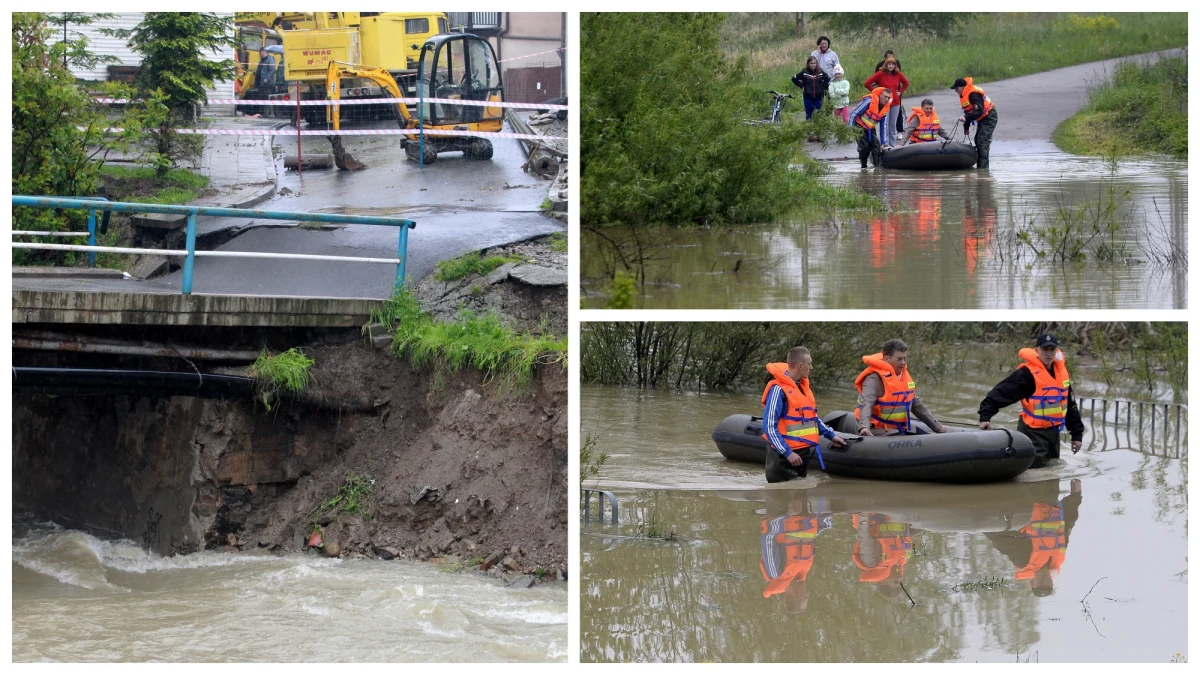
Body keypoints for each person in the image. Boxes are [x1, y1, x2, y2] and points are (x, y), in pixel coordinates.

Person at [978, 333, 1084, 468]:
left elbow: (1070, 405)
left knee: (1052, 474)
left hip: (1054, 434)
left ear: (1057, 351)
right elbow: (1002, 392)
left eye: (1052, 349)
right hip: (1033, 433)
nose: (1049, 354)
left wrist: (1076, 435)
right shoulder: (1027, 374)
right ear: (1037, 350)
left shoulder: (1061, 373)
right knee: (1033, 471)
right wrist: (985, 416)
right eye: (1045, 349)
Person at [762, 347, 848, 483]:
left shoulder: (802, 387)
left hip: (802, 454)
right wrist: (787, 453)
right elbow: (769, 427)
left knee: (799, 498)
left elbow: (811, 418)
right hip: (783, 456)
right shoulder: (778, 391)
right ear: (800, 366)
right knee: (781, 500)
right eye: (810, 364)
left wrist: (831, 435)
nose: (812, 368)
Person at [985, 479, 1082, 597]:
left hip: (1026, 500)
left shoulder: (1023, 560)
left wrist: (982, 521)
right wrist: (1075, 495)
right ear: (1052, 582)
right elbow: (1067, 524)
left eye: (1040, 584)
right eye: (1047, 584)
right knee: (1049, 471)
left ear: (1032, 582)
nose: (1044, 580)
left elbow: (997, 539)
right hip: (1050, 498)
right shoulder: (1058, 557)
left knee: (1030, 475)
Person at [854, 339, 948, 436]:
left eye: (905, 359)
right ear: (886, 359)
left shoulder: (904, 376)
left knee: (924, 435)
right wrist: (864, 426)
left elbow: (916, 405)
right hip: (876, 428)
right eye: (899, 359)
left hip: (896, 428)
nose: (903, 362)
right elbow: (866, 403)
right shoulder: (874, 378)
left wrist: (938, 427)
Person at [760, 492, 834, 612]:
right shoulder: (803, 570)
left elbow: (768, 537)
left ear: (796, 596)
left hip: (782, 511)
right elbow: (809, 538)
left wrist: (787, 514)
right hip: (806, 512)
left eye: (806, 597)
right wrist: (825, 521)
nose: (808, 593)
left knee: (782, 485)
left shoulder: (776, 573)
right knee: (809, 484)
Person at [851, 513, 913, 599]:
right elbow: (909, 533)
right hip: (901, 512)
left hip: (875, 510)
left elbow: (864, 534)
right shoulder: (902, 560)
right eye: (901, 581)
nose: (900, 578)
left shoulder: (872, 562)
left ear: (882, 581)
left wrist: (863, 513)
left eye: (895, 581)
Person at [951, 76, 999, 169]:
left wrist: (965, 118)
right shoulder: (964, 95)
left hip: (989, 116)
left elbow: (978, 110)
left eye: (956, 89)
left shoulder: (974, 94)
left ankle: (983, 170)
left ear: (961, 87)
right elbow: (969, 111)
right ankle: (980, 167)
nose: (956, 91)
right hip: (981, 117)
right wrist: (966, 127)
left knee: (983, 142)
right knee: (977, 140)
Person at [864, 58, 908, 147]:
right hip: (884, 103)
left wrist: (900, 92)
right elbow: (867, 83)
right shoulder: (880, 74)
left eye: (893, 64)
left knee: (892, 124)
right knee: (885, 124)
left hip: (895, 102)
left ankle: (893, 145)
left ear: (895, 66)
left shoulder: (898, 74)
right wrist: (877, 94)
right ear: (886, 65)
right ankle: (885, 144)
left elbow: (906, 83)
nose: (891, 66)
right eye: (889, 64)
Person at [849, 87, 892, 169]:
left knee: (876, 146)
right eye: (885, 96)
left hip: (871, 128)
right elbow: (854, 114)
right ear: (880, 95)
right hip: (859, 127)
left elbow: (883, 126)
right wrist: (850, 128)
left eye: (888, 98)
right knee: (865, 147)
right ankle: (863, 167)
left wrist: (883, 143)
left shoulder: (885, 108)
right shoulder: (869, 101)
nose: (886, 99)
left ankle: (877, 168)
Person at [873, 50, 905, 135]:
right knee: (884, 118)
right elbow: (874, 80)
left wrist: (900, 92)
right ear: (885, 58)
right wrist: (876, 92)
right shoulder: (880, 66)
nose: (891, 59)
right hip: (884, 96)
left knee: (897, 114)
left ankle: (899, 131)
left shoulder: (897, 64)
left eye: (892, 57)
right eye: (888, 57)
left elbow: (904, 81)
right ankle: (884, 140)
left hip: (895, 94)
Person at [792, 55, 831, 123]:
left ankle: (817, 131)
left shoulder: (820, 72)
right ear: (808, 64)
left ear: (816, 63)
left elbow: (827, 79)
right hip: (808, 98)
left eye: (814, 63)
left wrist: (822, 87)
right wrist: (802, 86)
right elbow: (794, 79)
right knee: (809, 115)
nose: (813, 65)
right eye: (811, 63)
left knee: (818, 115)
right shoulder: (804, 73)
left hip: (819, 97)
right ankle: (809, 131)